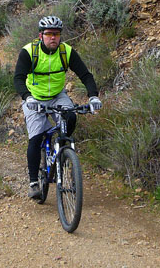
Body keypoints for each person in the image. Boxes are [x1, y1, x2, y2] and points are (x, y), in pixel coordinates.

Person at [13, 15, 101, 199]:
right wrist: (27, 97)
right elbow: (19, 78)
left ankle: (61, 149)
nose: (53, 37)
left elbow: (86, 75)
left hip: (57, 96)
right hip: (34, 98)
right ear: (41, 35)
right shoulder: (29, 52)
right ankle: (34, 182)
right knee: (36, 138)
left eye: (57, 34)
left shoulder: (66, 52)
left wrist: (93, 97)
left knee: (71, 117)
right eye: (49, 34)